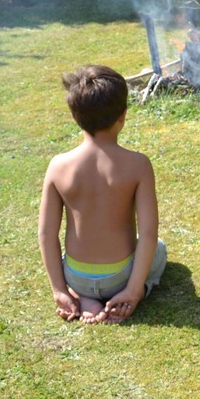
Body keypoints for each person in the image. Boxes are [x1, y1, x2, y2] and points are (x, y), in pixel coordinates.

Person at [38, 65, 166, 324]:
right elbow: (148, 234)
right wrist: (133, 290)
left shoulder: (58, 166)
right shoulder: (138, 165)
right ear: (123, 116)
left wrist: (60, 290)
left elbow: (46, 234)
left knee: (70, 262)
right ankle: (131, 294)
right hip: (121, 276)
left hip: (76, 276)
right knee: (159, 248)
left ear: (75, 116)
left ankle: (83, 297)